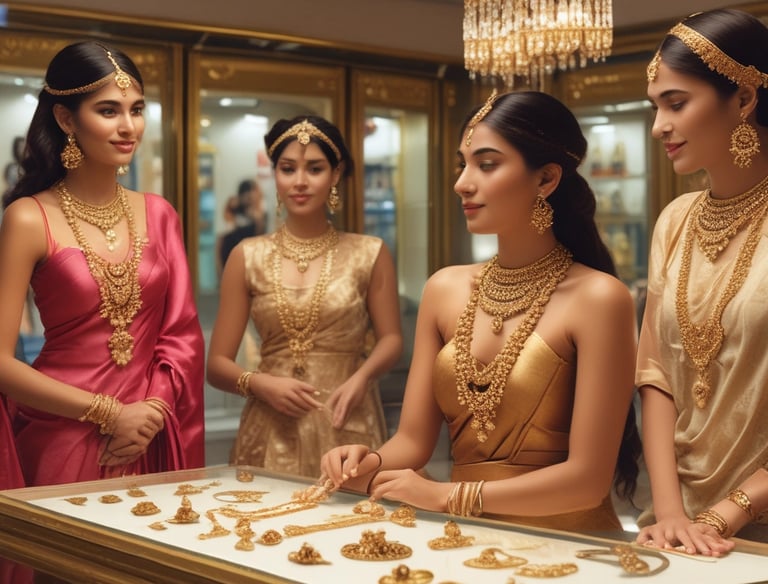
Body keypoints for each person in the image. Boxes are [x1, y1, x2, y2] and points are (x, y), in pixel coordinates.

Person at [321, 90, 642, 533]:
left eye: (487, 165)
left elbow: (586, 481)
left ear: (546, 179)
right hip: (462, 538)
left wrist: (445, 495)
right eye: (463, 163)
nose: (462, 183)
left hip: (569, 547)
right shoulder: (444, 288)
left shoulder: (600, 298)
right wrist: (366, 460)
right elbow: (413, 441)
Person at [0, 40, 205, 488]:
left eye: (138, 109)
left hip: (150, 432)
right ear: (66, 118)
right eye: (109, 111)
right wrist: (110, 413)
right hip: (63, 434)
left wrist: (149, 413)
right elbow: (1, 362)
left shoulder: (159, 213)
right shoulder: (29, 218)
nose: (129, 127)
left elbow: (181, 337)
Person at [635, 9, 768, 555]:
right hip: (676, 528)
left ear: (742, 98)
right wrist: (671, 514)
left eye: (676, 103)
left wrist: (724, 515)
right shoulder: (675, 219)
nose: (658, 125)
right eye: (655, 107)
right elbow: (656, 373)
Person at [207, 115, 403, 478]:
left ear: (334, 174)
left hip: (347, 418)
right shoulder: (247, 256)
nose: (299, 181)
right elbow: (217, 365)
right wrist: (261, 384)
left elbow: (391, 339)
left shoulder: (369, 252)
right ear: (275, 174)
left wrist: (362, 378)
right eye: (287, 168)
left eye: (314, 168)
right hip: (269, 425)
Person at [217, 178, 267, 275]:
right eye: (247, 192)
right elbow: (223, 236)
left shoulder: (260, 215)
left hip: (251, 259)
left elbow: (260, 237)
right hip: (231, 254)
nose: (251, 196)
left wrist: (257, 219)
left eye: (254, 191)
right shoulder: (233, 208)